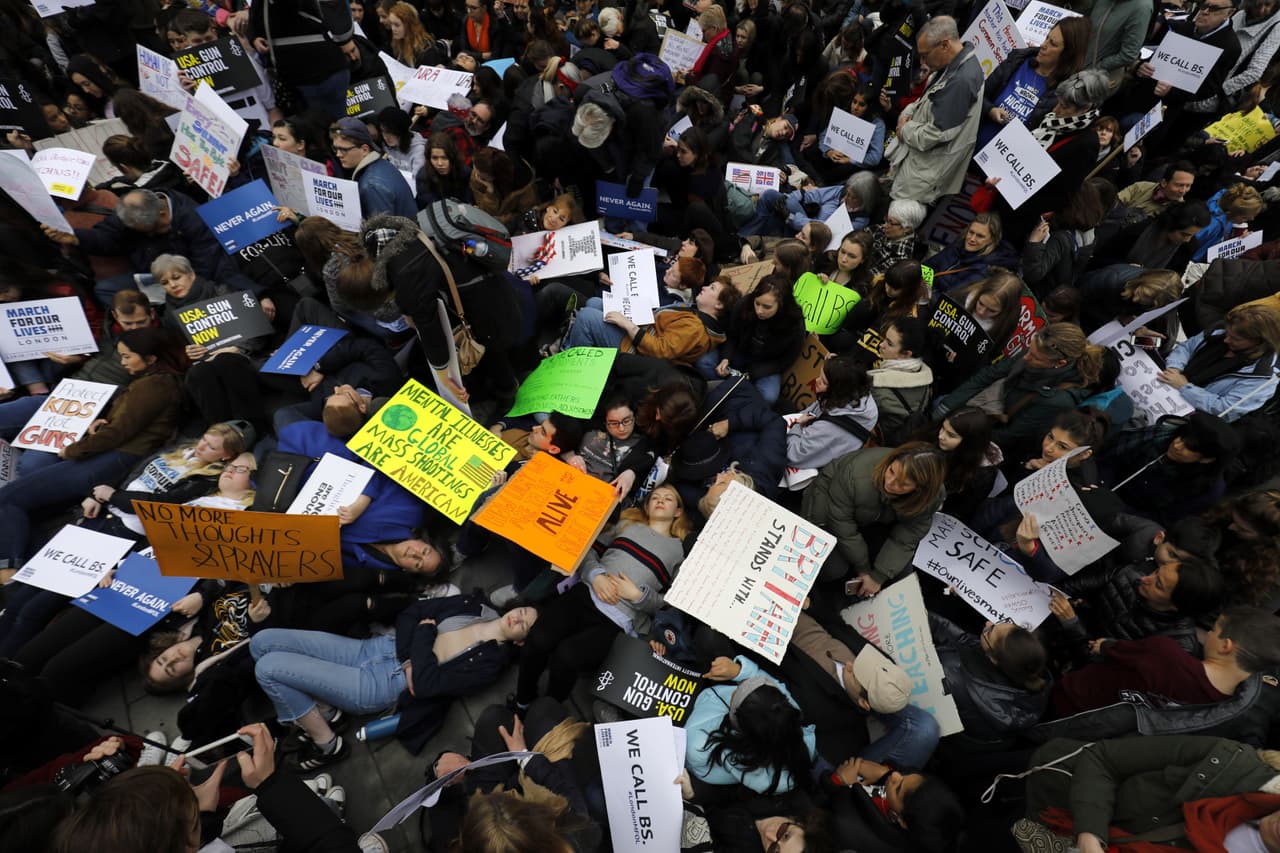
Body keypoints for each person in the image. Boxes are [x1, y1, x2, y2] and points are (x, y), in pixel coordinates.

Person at [252, 595, 538, 766]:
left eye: (524, 624)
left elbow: (425, 685)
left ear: (523, 641)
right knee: (262, 641)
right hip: (380, 648)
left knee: (267, 668)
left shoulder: (489, 665)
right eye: (521, 612)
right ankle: (327, 713)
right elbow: (411, 613)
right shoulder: (473, 604)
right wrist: (411, 658)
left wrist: (425, 634)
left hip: (382, 682)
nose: (517, 618)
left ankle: (327, 744)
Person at [0, 328, 186, 568]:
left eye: (128, 356)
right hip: (115, 456)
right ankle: (26, 570)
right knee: (26, 509)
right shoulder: (152, 382)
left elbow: (119, 434)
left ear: (151, 358)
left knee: (7, 499)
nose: (122, 362)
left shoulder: (155, 385)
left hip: (115, 458)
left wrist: (73, 450)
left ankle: (7, 570)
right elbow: (125, 423)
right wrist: (104, 420)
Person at [511, 485, 688, 712]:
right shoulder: (627, 525)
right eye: (655, 497)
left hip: (618, 620)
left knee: (566, 657)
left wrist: (638, 595)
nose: (660, 500)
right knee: (538, 639)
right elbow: (587, 550)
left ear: (678, 512)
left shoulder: (680, 554)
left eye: (668, 498)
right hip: (586, 593)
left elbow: (670, 604)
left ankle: (546, 711)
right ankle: (522, 702)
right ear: (646, 506)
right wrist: (596, 576)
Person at [1049, 517, 1225, 663]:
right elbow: (1066, 588)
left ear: (1176, 606)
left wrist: (1072, 623)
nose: (1145, 578)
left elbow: (1099, 667)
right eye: (1156, 572)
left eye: (1158, 585)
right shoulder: (1129, 574)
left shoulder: (1173, 646)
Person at [1051, 606, 1280, 717]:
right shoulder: (1224, 709)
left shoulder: (1164, 654)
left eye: (1214, 629)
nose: (1208, 634)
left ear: (1226, 645)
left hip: (1070, 698)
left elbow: (1110, 648)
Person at [936, 323, 1109, 463]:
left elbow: (1010, 435)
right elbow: (988, 375)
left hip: (988, 433)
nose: (1026, 358)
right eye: (1029, 350)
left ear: (1060, 363)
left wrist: (959, 432)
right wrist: (947, 407)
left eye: (1035, 358)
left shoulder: (1059, 400)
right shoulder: (1036, 351)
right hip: (985, 407)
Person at [801, 442, 947, 594]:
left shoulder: (930, 498)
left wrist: (878, 576)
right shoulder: (856, 473)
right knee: (833, 569)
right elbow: (842, 525)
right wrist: (863, 568)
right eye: (891, 471)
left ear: (919, 489)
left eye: (902, 484)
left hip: (875, 517)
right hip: (828, 505)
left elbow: (907, 537)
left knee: (900, 574)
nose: (890, 482)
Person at [887, 16, 984, 205]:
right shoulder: (953, 65)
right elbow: (927, 99)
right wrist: (908, 113)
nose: (923, 62)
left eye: (925, 55)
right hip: (917, 165)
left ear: (945, 45)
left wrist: (904, 129)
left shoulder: (960, 81)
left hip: (922, 177)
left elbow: (937, 134)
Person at [975, 17, 1091, 150]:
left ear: (1068, 54)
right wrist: (990, 109)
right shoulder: (1018, 59)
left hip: (1006, 161)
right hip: (970, 147)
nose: (1043, 45)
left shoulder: (1064, 93)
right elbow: (979, 94)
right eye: (1047, 37)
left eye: (1053, 43)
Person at [1159, 300, 1280, 420]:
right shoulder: (1218, 331)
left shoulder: (1262, 377)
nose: (1226, 340)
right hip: (1166, 388)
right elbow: (1187, 347)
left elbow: (1225, 410)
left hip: (1190, 417)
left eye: (1235, 339)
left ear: (1259, 342)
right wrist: (1174, 368)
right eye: (1227, 333)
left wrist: (1184, 387)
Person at [717, 274, 806, 403]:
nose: (759, 311)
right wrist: (726, 358)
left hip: (768, 365)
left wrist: (759, 372)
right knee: (705, 362)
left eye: (767, 307)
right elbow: (732, 335)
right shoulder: (744, 305)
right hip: (740, 353)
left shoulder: (794, 322)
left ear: (781, 304)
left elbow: (788, 358)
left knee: (768, 397)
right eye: (757, 303)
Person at [787, 356, 878, 470]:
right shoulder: (860, 396)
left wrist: (796, 426)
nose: (816, 381)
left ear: (838, 389)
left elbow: (793, 456)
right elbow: (814, 409)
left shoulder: (828, 428)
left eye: (824, 382)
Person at [330, 116, 416, 219]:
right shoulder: (382, 164)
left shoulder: (371, 186)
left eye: (343, 149)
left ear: (365, 150)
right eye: (335, 148)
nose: (338, 154)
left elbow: (384, 231)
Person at [868, 316, 934, 445]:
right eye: (884, 339)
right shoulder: (925, 379)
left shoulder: (877, 386)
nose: (881, 345)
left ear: (906, 354)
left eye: (889, 343)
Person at [923, 213, 1020, 293]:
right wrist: (923, 287)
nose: (972, 239)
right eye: (971, 232)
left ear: (991, 240)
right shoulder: (957, 245)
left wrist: (927, 293)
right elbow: (927, 267)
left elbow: (952, 297)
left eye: (980, 236)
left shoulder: (988, 269)